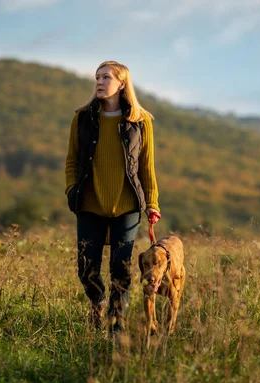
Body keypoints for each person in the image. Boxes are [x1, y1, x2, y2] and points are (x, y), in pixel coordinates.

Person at [65, 61, 161, 336]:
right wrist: (72, 189)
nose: (99, 81)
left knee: (120, 270)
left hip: (127, 205)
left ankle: (116, 325)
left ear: (121, 84)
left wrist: (152, 202)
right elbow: (72, 161)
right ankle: (99, 302)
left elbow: (146, 166)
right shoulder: (82, 119)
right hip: (89, 204)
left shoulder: (140, 121)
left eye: (106, 77)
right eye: (97, 77)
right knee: (87, 269)